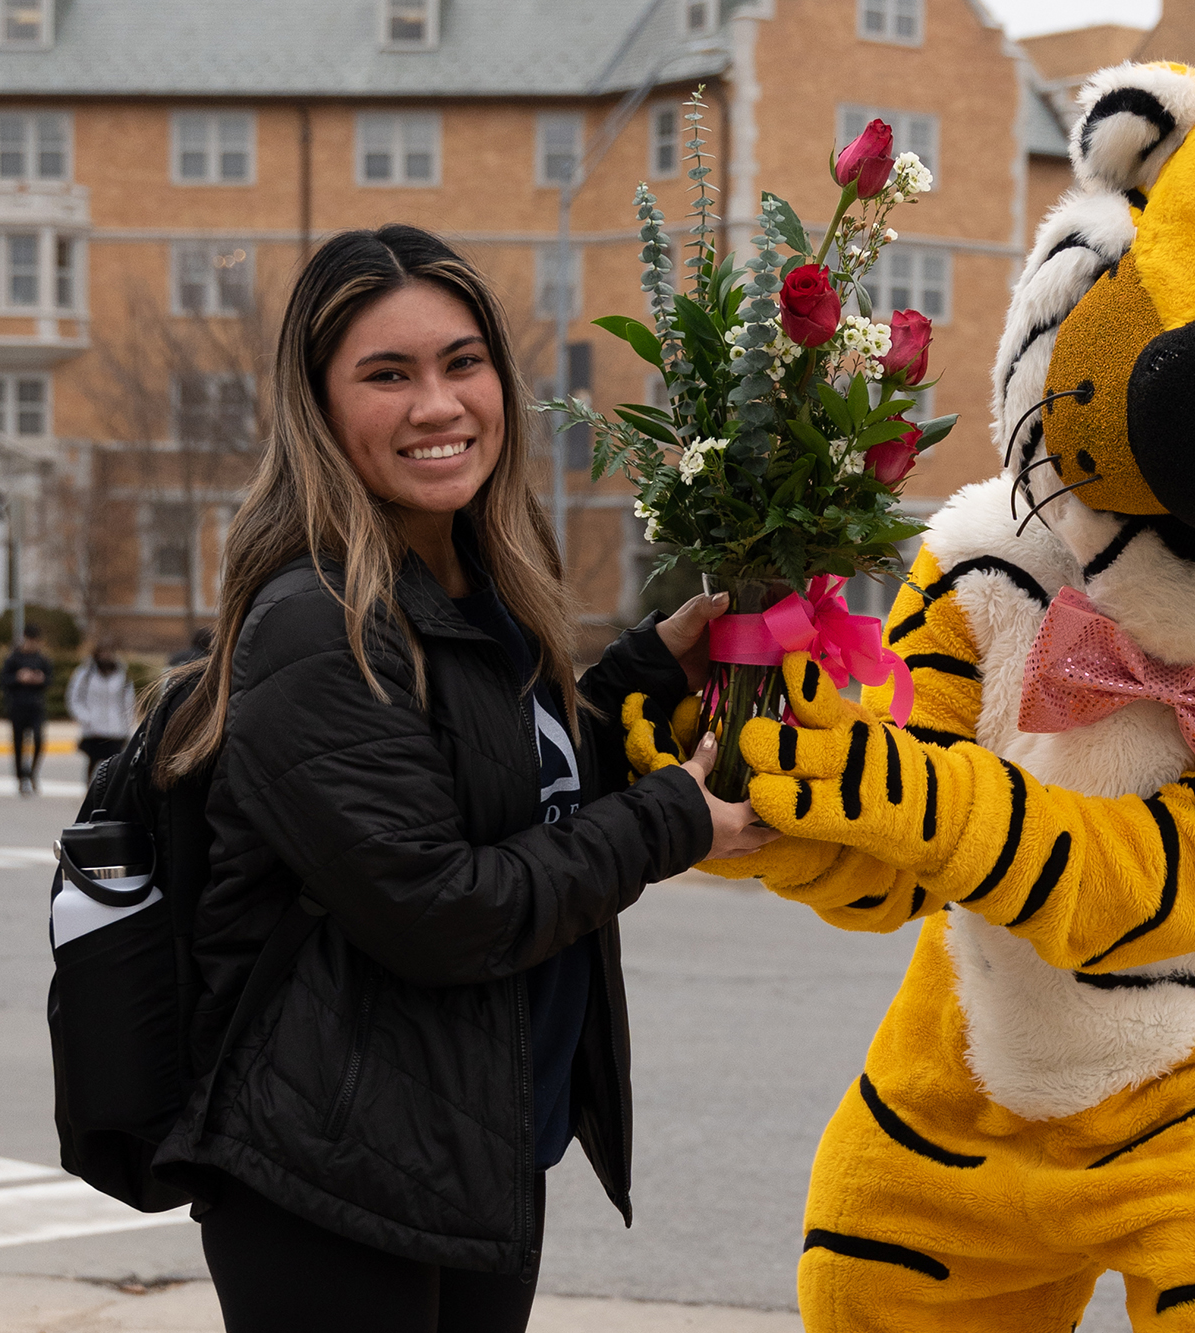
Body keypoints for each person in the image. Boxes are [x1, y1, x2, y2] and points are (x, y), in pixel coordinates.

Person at [145, 225, 774, 1333]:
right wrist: (669, 821)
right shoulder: (318, 621)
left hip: (470, 1142)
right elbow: (440, 906)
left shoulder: (474, 581)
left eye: (461, 362)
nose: (437, 404)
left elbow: (497, 787)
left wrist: (634, 672)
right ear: (319, 406)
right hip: (333, 1172)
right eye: (387, 374)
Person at [66, 641, 135, 784]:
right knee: (93, 763)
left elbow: (128, 702)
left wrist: (128, 725)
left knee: (114, 767)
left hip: (116, 728)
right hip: (94, 728)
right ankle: (90, 790)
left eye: (109, 652)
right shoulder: (85, 673)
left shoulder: (122, 675)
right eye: (103, 652)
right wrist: (84, 717)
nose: (106, 656)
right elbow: (74, 697)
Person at [0, 624, 51, 796]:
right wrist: (18, 677)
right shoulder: (14, 658)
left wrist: (40, 679)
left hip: (36, 706)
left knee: (38, 740)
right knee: (19, 743)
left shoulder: (42, 659)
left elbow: (49, 679)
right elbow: (3, 680)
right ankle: (20, 777)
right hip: (17, 706)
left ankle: (33, 772)